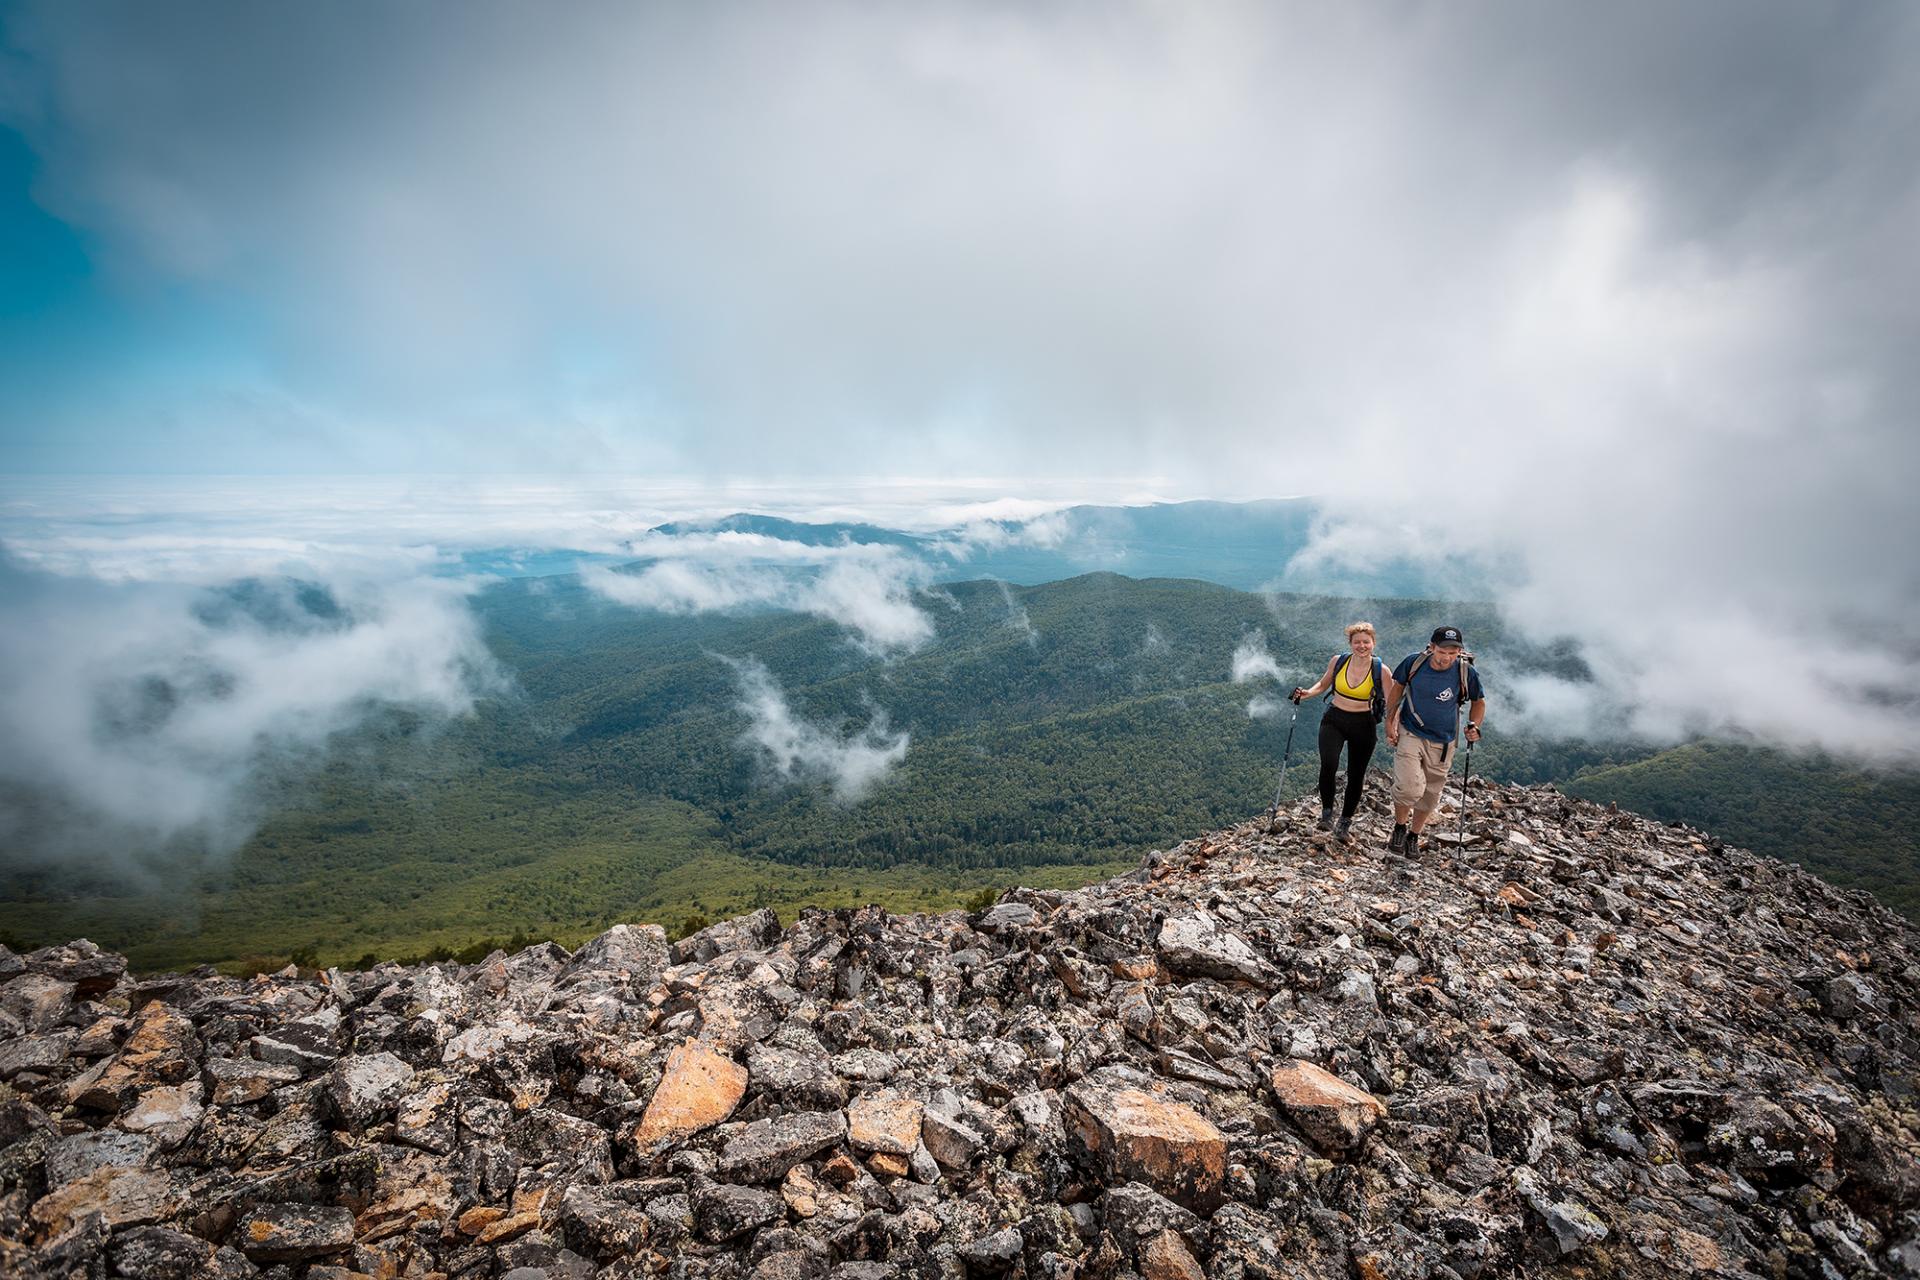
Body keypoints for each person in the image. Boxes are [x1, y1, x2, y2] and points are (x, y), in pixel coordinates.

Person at [1382, 626, 1486, 855]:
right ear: (1431, 647)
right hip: (1411, 731)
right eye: (1443, 651)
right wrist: (1390, 721)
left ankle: (1413, 835)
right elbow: (1397, 688)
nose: (1447, 657)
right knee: (1409, 787)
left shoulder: (1465, 671)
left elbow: (1478, 701)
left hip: (1444, 740)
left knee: (1430, 794)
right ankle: (1400, 827)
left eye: (1453, 652)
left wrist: (1474, 726)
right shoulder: (1414, 664)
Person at [1290, 621, 1384, 841]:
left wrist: (1393, 727)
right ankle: (1327, 813)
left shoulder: (1381, 670)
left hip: (1364, 723)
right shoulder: (1339, 661)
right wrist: (1306, 693)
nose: (1362, 646)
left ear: (1373, 643)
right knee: (1329, 764)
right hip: (1335, 718)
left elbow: (1392, 698)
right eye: (1357, 642)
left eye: (1366, 642)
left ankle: (1345, 821)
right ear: (1350, 643)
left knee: (1356, 774)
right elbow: (1323, 685)